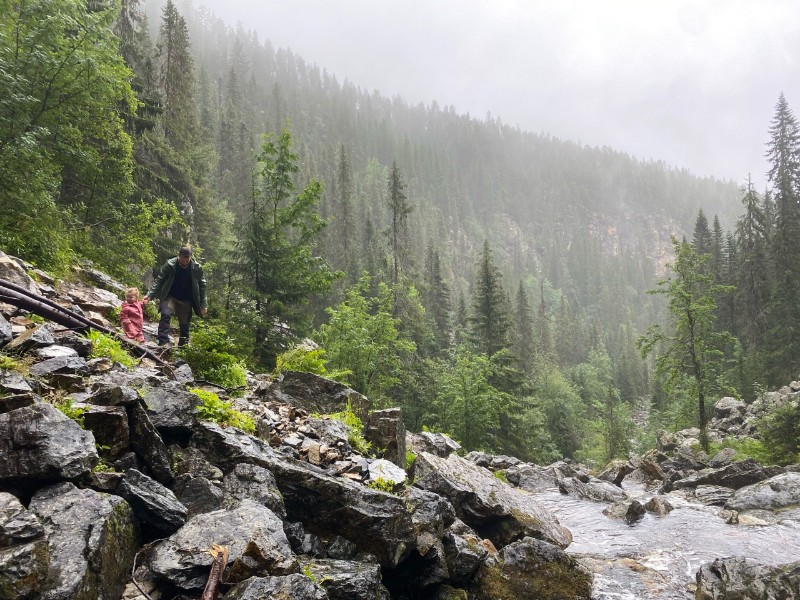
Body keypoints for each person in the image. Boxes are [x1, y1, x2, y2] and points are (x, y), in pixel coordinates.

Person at [143, 246, 207, 348]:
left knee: (184, 324)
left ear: (190, 257)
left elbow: (202, 284)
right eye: (182, 259)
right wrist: (150, 295)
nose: (185, 262)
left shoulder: (196, 267)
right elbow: (160, 280)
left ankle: (183, 347)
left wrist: (203, 304)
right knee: (166, 314)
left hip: (186, 299)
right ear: (179, 256)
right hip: (170, 296)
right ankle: (163, 342)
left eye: (187, 259)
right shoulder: (170, 264)